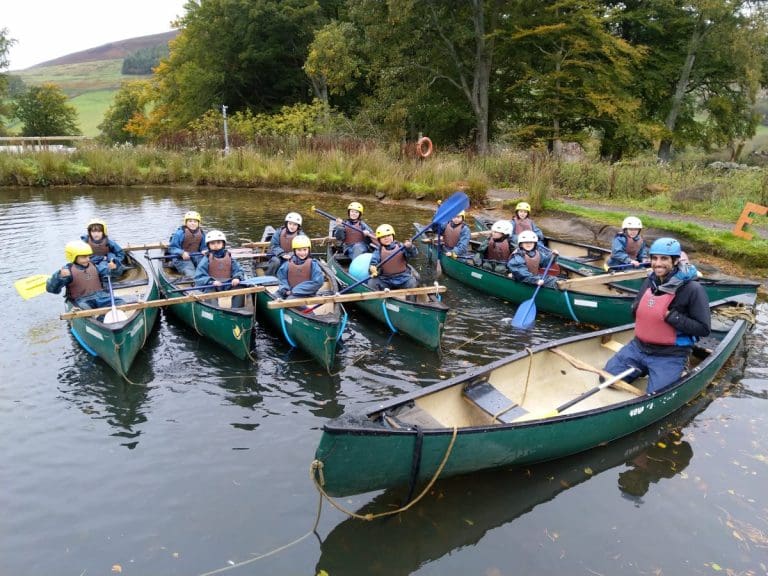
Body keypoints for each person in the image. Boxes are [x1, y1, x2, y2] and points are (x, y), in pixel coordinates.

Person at [604, 237, 711, 395]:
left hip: (670, 354)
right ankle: (640, 368)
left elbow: (703, 328)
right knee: (606, 379)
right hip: (638, 348)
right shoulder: (651, 281)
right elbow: (636, 310)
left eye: (664, 259)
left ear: (675, 261)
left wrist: (669, 315)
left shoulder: (693, 289)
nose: (658, 263)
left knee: (656, 396)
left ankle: (674, 368)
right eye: (654, 258)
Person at [46, 240, 124, 310]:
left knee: (120, 302)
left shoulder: (94, 266)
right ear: (73, 257)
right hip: (82, 300)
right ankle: (100, 318)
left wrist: (114, 268)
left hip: (101, 297)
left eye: (88, 256)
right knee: (84, 308)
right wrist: (59, 277)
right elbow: (52, 289)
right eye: (84, 257)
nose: (88, 259)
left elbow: (114, 273)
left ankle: (102, 317)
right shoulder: (67, 271)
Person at [194, 230, 246, 306]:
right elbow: (199, 277)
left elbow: (238, 270)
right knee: (209, 291)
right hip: (213, 285)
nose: (216, 245)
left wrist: (237, 277)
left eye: (218, 242)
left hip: (228, 284)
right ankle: (213, 309)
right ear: (208, 245)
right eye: (212, 243)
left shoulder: (229, 257)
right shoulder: (206, 259)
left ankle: (238, 309)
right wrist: (211, 281)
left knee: (240, 286)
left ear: (223, 244)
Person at [368, 224, 419, 290]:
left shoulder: (401, 246)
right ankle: (379, 299)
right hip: (385, 279)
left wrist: (410, 247)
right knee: (372, 283)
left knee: (412, 282)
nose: (386, 238)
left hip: (403, 277)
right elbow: (373, 263)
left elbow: (413, 255)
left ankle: (410, 300)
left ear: (393, 236)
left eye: (388, 235)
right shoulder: (378, 251)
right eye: (383, 237)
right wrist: (373, 269)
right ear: (379, 239)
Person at [167, 211, 206, 278]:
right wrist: (182, 253)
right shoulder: (179, 233)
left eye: (195, 221)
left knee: (206, 270)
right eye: (190, 221)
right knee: (192, 274)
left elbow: (204, 247)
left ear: (198, 223)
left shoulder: (202, 233)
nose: (193, 223)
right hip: (181, 258)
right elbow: (172, 248)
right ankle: (173, 264)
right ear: (186, 223)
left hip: (196, 256)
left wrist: (204, 250)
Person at [266, 212, 303, 276]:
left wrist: (291, 254)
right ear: (286, 223)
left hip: (293, 256)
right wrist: (282, 254)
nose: (292, 226)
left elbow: (302, 249)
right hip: (278, 255)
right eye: (290, 224)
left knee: (293, 262)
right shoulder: (278, 232)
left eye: (295, 224)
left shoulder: (301, 235)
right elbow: (274, 246)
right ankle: (269, 277)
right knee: (276, 261)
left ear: (298, 226)